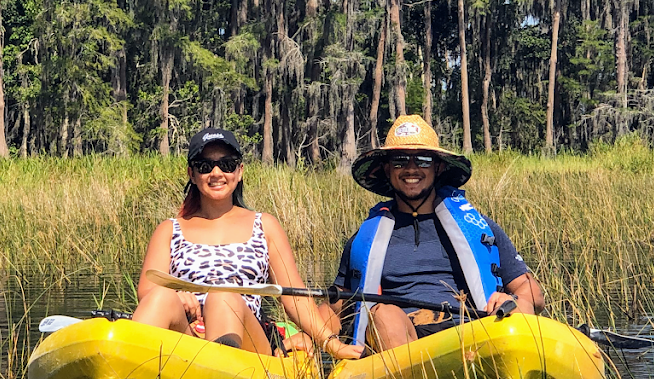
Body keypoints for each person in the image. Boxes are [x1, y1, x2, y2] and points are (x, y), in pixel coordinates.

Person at [131, 127, 363, 359]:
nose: (216, 172)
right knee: (162, 297)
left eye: (227, 164)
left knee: (223, 297)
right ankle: (127, 371)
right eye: (205, 166)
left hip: (248, 344)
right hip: (190, 339)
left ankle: (223, 373)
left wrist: (331, 344)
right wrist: (177, 296)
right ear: (192, 174)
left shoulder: (265, 226)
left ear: (239, 171)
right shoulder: (169, 230)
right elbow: (148, 291)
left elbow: (295, 296)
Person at [331, 115, 544, 351]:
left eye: (423, 160)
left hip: (470, 336)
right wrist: (312, 336)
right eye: (400, 160)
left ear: (438, 166)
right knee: (384, 316)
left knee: (516, 312)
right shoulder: (363, 239)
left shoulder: (479, 227)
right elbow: (337, 308)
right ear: (387, 168)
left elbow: (531, 292)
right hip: (403, 338)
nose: (411, 169)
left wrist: (514, 301)